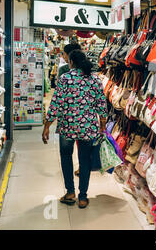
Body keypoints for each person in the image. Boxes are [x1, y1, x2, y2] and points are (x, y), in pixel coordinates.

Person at [42, 50, 107, 209]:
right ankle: (83, 197)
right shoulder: (95, 79)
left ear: (71, 62)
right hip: (87, 127)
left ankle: (70, 192)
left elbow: (56, 104)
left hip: (67, 126)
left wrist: (47, 126)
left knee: (66, 156)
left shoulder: (65, 78)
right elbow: (101, 105)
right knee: (85, 160)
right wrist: (102, 125)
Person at [58, 42, 82, 177]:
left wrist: (49, 121)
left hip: (67, 117)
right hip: (85, 116)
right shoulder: (89, 70)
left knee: (66, 151)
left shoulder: (63, 71)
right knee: (82, 146)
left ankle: (70, 189)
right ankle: (81, 168)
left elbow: (59, 96)